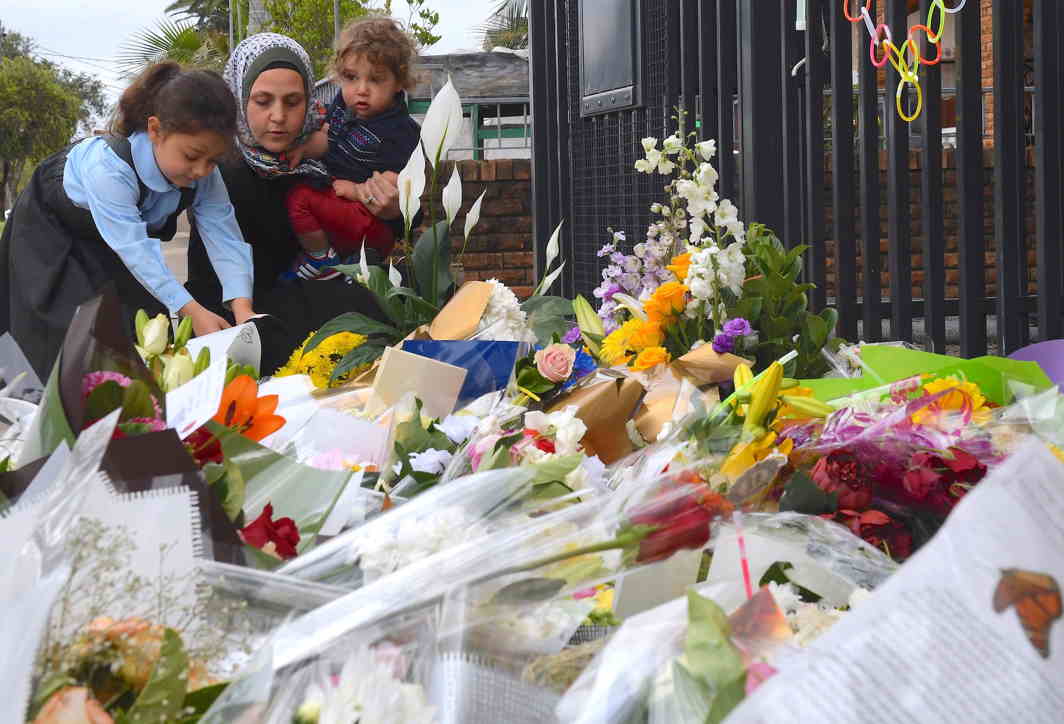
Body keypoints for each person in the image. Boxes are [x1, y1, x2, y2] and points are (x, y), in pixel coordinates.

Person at [0, 62, 254, 379]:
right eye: (192, 156)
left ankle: (144, 419)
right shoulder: (107, 169)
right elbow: (134, 250)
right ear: (155, 130)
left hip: (115, 245)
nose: (202, 170)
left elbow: (225, 236)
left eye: (213, 160)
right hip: (52, 234)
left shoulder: (203, 173)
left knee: (145, 333)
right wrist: (192, 310)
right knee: (71, 339)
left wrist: (242, 308)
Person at [184, 33, 395, 371]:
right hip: (235, 325)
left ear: (309, 100)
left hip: (311, 322)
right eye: (263, 101)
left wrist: (390, 209)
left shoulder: (322, 164)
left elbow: (366, 243)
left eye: (293, 101)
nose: (279, 116)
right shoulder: (214, 171)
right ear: (238, 98)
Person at [281, 16, 421, 281]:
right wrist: (302, 150)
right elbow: (328, 139)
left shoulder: (401, 130)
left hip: (372, 221)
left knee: (299, 198)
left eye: (376, 80)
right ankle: (350, 265)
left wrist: (355, 191)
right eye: (351, 77)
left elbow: (396, 184)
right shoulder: (343, 107)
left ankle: (322, 259)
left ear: (399, 82)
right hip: (343, 210)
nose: (361, 90)